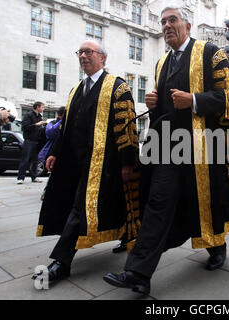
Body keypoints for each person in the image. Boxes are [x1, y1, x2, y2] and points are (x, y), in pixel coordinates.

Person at [103, 6, 229, 295]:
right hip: (168, 148)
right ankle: (138, 273)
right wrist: (154, 104)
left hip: (203, 148)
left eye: (172, 20)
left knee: (203, 202)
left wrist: (195, 100)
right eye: (163, 22)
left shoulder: (210, 52)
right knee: (158, 204)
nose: (166, 26)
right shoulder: (162, 62)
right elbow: (167, 109)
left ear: (187, 26)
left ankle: (216, 245)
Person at [32, 39, 140, 284]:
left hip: (105, 163)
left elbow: (127, 127)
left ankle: (62, 261)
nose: (83, 56)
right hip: (75, 162)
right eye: (80, 52)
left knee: (81, 207)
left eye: (88, 52)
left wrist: (127, 162)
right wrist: (55, 153)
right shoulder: (76, 90)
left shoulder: (117, 86)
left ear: (102, 57)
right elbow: (66, 128)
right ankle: (127, 236)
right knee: (101, 203)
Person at [38, 106, 65, 200]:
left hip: (64, 151)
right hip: (53, 151)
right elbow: (50, 133)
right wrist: (63, 122)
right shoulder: (52, 123)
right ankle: (46, 192)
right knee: (53, 174)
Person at [17, 102, 46, 184]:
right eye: (42, 107)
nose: (43, 109)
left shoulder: (39, 116)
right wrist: (37, 124)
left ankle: (34, 176)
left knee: (35, 160)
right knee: (25, 159)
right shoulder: (29, 115)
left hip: (37, 141)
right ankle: (20, 178)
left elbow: (39, 129)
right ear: (37, 107)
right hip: (29, 140)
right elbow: (25, 127)